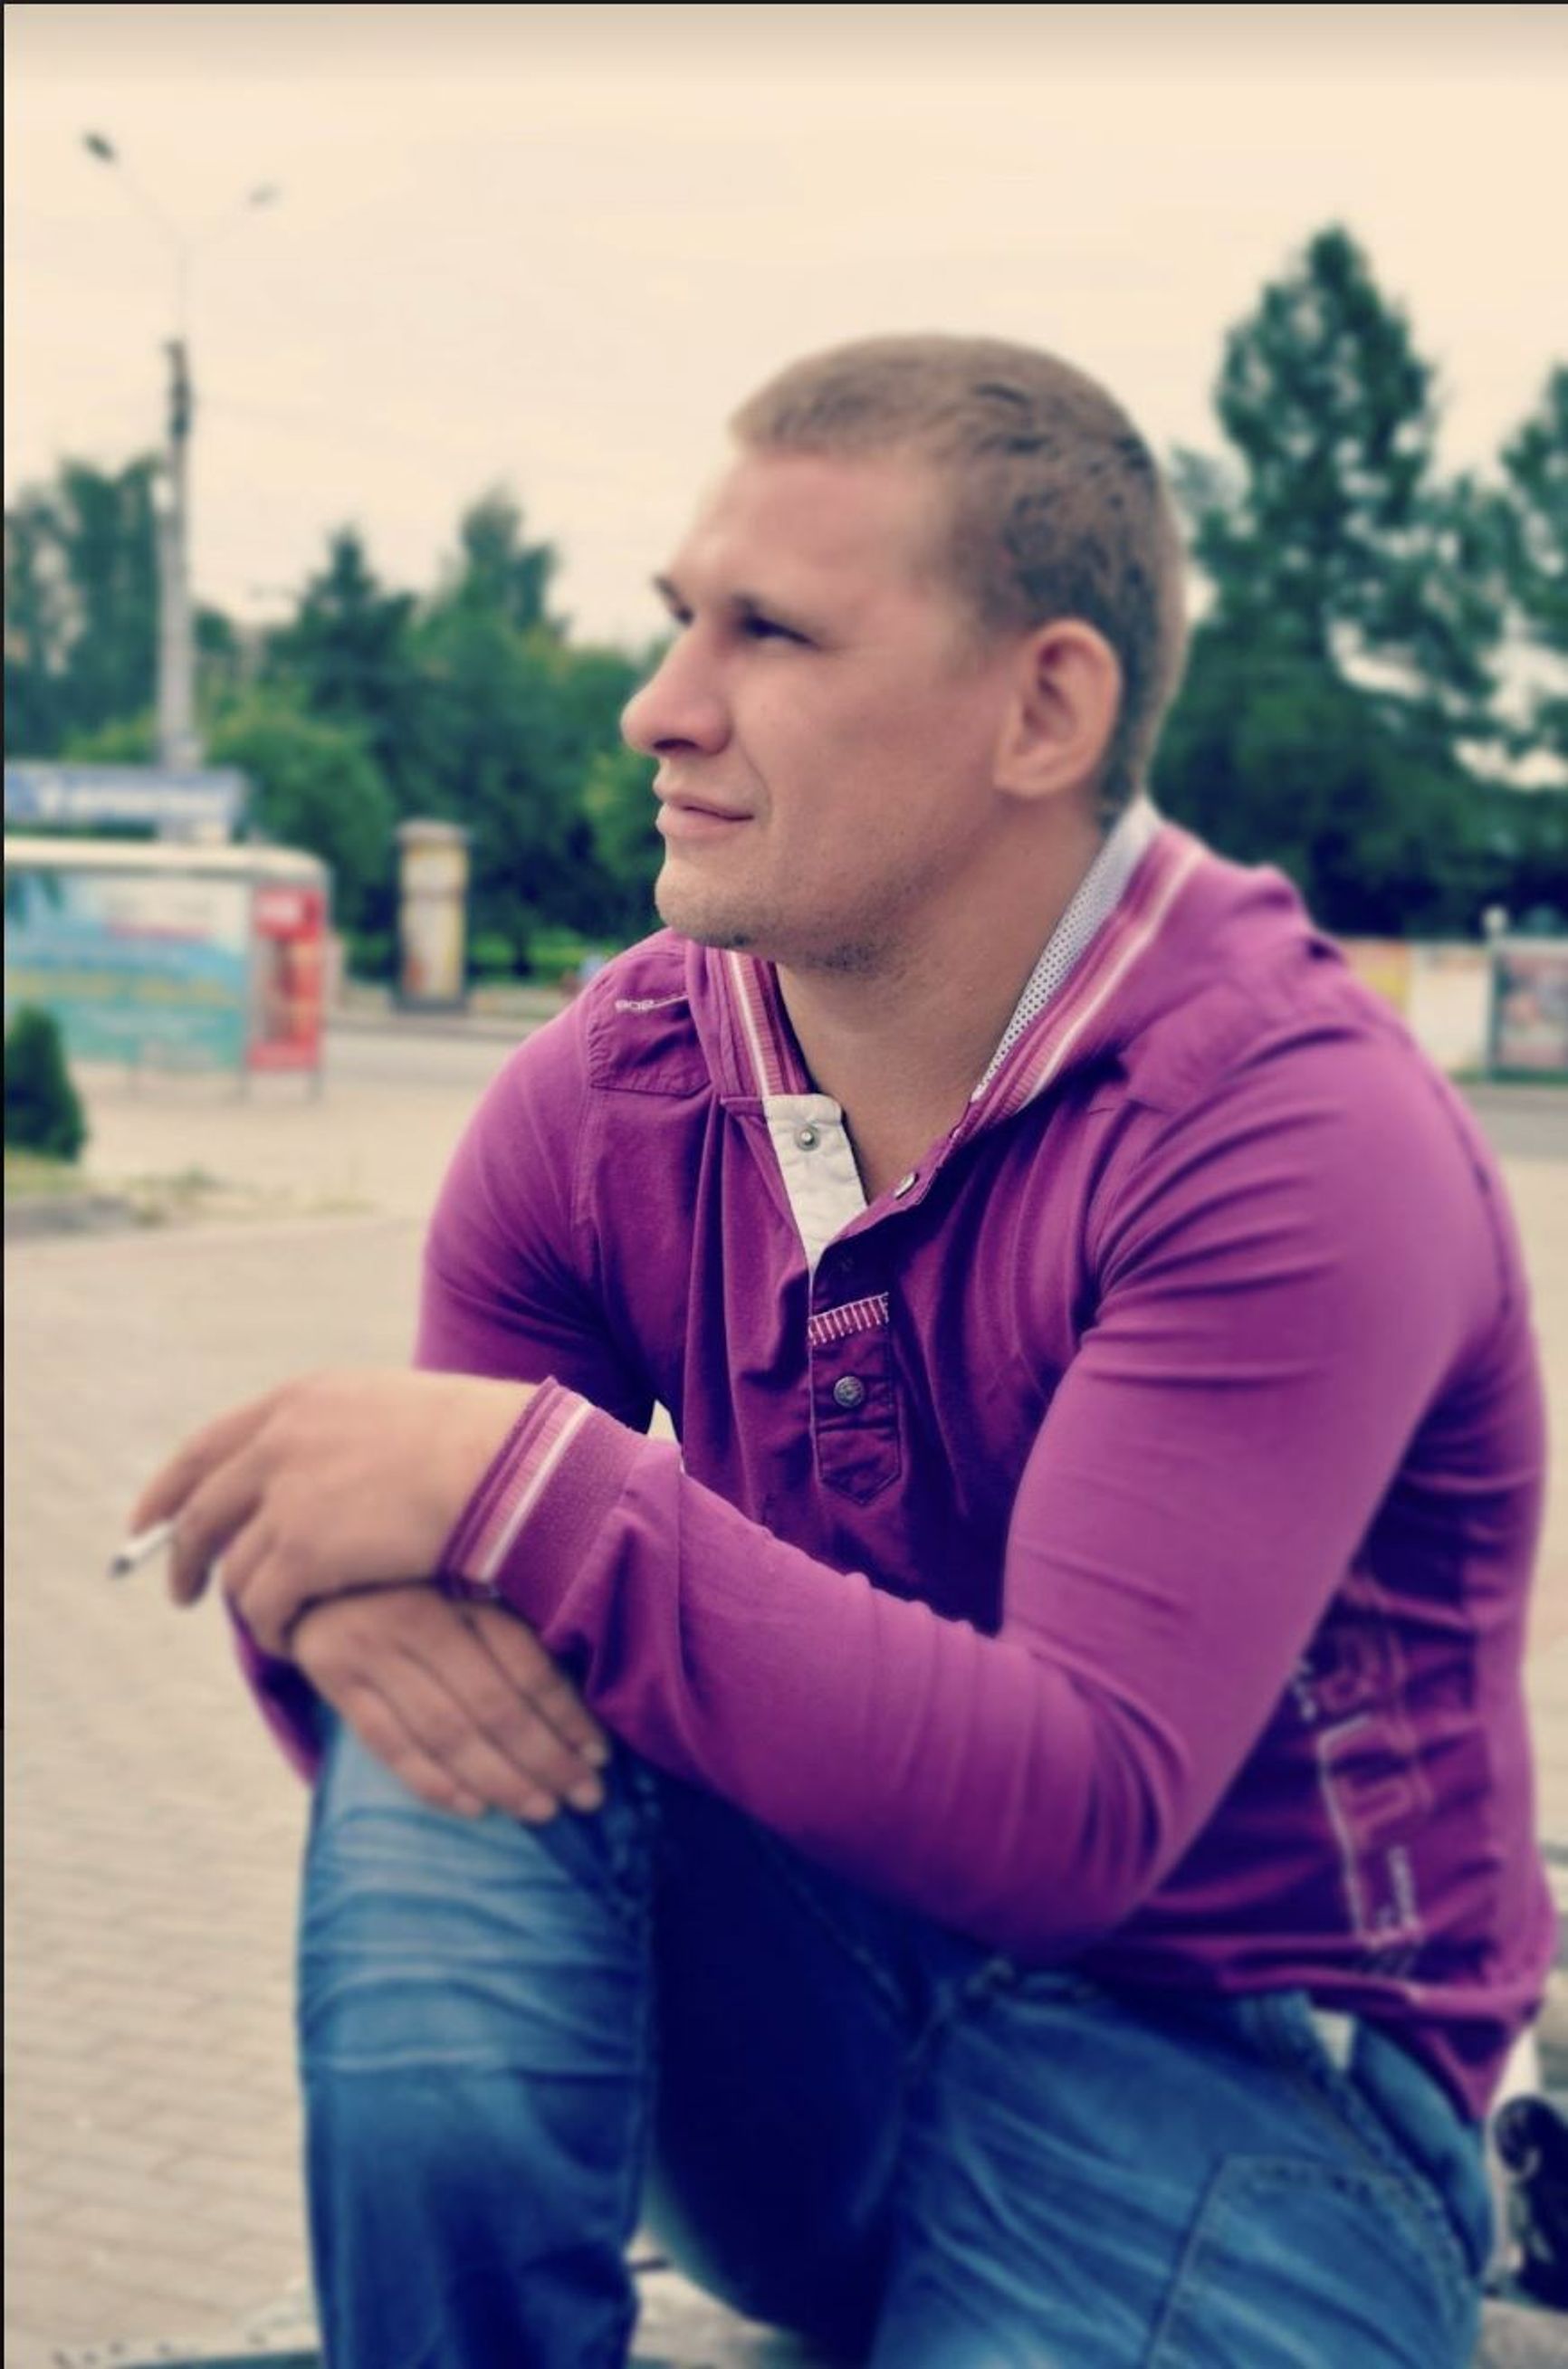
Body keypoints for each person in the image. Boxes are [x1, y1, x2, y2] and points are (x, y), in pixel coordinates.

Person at [134, 336, 1553, 2369]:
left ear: (1043, 708)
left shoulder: (1285, 1129)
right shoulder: (604, 1100)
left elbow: (1082, 1812)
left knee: (515, 1540)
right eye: (676, 619)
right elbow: (468, 1685)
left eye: (771, 632)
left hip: (1249, 2082)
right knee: (461, 1686)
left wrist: (524, 1497)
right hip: (819, 2044)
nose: (660, 703)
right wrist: (371, 1592)